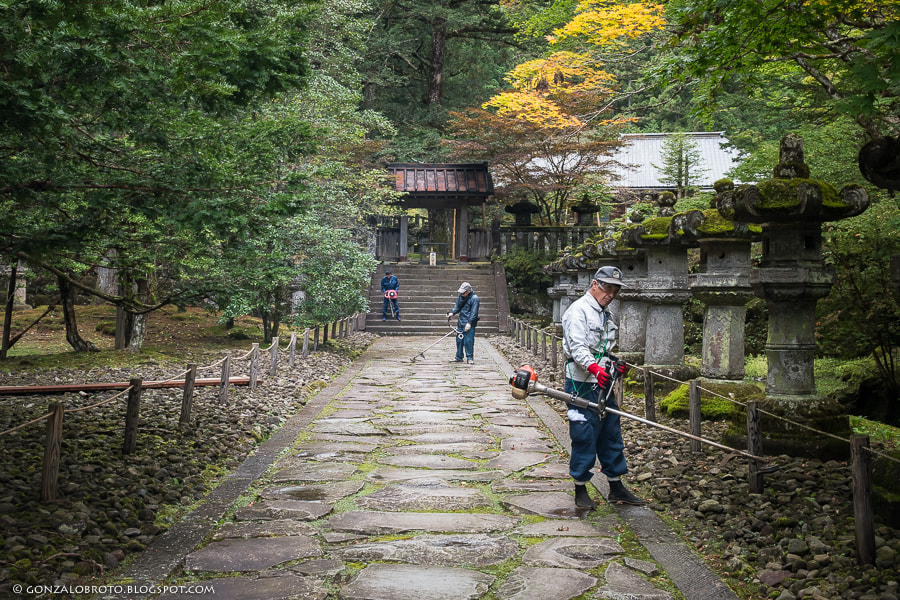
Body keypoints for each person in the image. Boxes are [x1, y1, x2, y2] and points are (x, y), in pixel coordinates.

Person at [561, 265, 645, 508]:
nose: (611, 293)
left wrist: (613, 363)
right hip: (580, 383)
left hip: (603, 383)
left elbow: (603, 348)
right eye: (607, 287)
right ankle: (580, 489)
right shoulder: (578, 311)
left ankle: (616, 486)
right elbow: (577, 348)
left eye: (616, 290)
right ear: (595, 284)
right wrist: (594, 368)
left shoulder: (604, 312)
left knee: (610, 433)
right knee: (584, 434)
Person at [446, 282, 479, 364]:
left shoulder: (475, 298)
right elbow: (457, 306)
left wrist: (470, 323)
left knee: (469, 341)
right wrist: (452, 313)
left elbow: (474, 313)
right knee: (459, 340)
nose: (462, 294)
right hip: (461, 321)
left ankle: (470, 358)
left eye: (463, 292)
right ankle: (459, 357)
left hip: (469, 323)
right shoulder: (461, 296)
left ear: (468, 291)